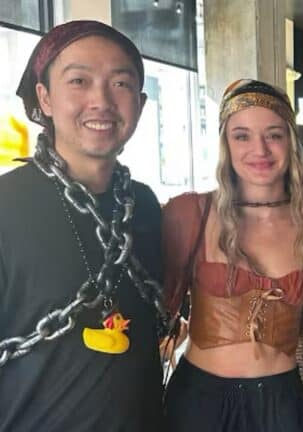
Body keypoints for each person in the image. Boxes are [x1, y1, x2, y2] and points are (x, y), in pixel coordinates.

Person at [0, 21, 167, 430]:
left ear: (141, 105)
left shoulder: (143, 207)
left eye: (121, 84)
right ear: (45, 97)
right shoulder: (6, 205)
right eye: (79, 80)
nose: (101, 100)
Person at [161, 79, 303, 431]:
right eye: (242, 135)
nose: (260, 149)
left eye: (273, 134)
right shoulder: (191, 212)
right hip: (201, 399)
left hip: (279, 401)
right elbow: (158, 309)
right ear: (226, 143)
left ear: (290, 141)